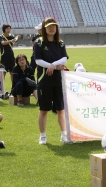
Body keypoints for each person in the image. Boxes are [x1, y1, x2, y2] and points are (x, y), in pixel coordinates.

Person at [34, 17, 69, 145]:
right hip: (44, 81)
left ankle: (64, 134)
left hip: (58, 80)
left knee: (60, 109)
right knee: (44, 109)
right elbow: (38, 61)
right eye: (49, 26)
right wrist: (51, 66)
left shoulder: (60, 43)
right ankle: (43, 136)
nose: (51, 28)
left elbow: (64, 58)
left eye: (54, 26)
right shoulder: (39, 43)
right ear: (44, 28)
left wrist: (53, 65)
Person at [0, 23, 19, 90]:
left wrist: (17, 38)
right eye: (7, 29)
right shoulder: (1, 37)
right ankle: (1, 89)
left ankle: (13, 88)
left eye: (9, 29)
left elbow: (14, 41)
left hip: (11, 56)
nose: (9, 30)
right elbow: (2, 43)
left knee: (12, 72)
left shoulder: (11, 36)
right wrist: (10, 40)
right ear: (4, 29)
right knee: (3, 73)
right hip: (4, 57)